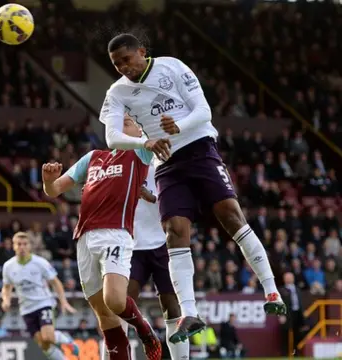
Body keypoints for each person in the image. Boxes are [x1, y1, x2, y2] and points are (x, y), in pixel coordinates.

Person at [100, 32, 286, 342]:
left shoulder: (172, 67)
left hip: (199, 148)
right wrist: (145, 140)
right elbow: (111, 137)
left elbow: (203, 112)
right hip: (168, 164)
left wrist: (178, 127)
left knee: (231, 215)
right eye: (116, 63)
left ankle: (271, 291)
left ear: (142, 52)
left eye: (126, 59)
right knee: (175, 230)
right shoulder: (118, 92)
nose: (122, 67)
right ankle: (189, 312)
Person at [42, 116, 164, 360]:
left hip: (116, 233)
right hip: (85, 236)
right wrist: (48, 179)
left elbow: (157, 136)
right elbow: (54, 190)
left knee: (115, 300)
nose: (121, 123)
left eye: (128, 121)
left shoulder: (140, 153)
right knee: (104, 315)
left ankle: (145, 331)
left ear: (139, 130)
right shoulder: (93, 157)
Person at [130, 160, 190, 359]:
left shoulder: (160, 167)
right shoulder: (123, 166)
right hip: (131, 245)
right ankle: (142, 329)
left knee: (171, 305)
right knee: (121, 305)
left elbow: (178, 200)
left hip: (162, 244)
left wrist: (151, 197)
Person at [1, 232, 80, 360]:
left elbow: (56, 282)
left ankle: (68, 341)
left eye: (25, 244)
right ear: (14, 246)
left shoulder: (40, 262)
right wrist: (6, 300)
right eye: (19, 244)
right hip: (26, 309)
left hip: (43, 303)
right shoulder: (8, 266)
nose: (22, 247)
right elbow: (6, 287)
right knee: (44, 344)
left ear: (29, 246)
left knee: (48, 336)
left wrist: (63, 302)